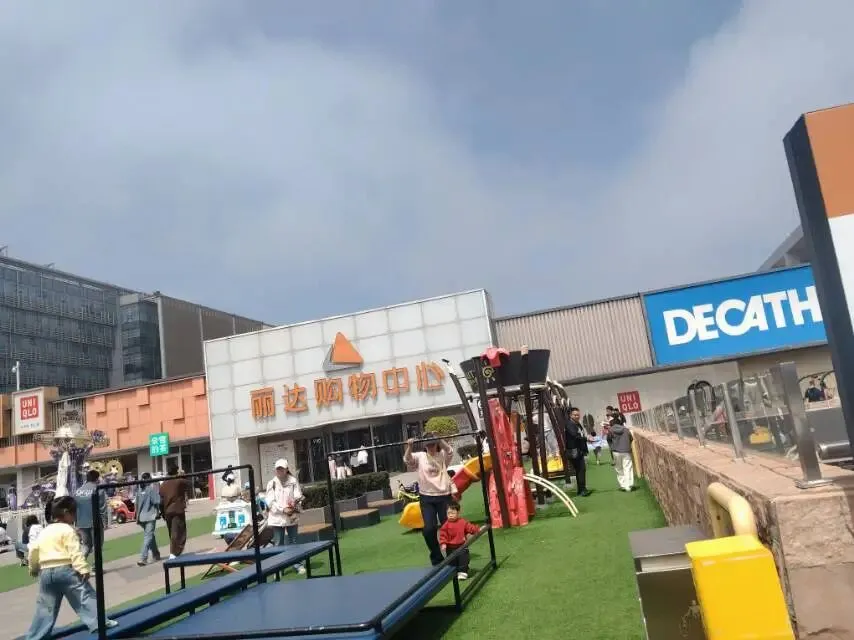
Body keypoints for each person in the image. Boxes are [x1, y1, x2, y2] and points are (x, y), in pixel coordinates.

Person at [23, 496, 118, 639]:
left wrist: (33, 568)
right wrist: (83, 569)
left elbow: (33, 551)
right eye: (74, 513)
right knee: (85, 596)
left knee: (45, 606)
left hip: (46, 573)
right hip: (65, 570)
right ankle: (100, 623)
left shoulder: (44, 532)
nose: (75, 517)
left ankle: (35, 636)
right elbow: (74, 552)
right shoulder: (67, 530)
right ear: (66, 513)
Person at [404, 432, 455, 566]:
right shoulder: (420, 456)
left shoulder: (442, 455)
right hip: (427, 497)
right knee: (429, 529)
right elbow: (408, 460)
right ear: (425, 446)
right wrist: (409, 446)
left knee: (448, 527)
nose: (431, 447)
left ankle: (452, 556)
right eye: (428, 445)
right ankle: (437, 557)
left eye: (433, 444)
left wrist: (439, 439)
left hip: (444, 495)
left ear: (436, 445)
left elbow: (450, 451)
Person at [265, 459, 306, 574]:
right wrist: (283, 509)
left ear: (287, 469)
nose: (279, 471)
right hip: (277, 518)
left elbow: (298, 495)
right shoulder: (272, 483)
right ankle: (279, 568)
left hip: (291, 516)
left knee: (294, 541)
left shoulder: (293, 481)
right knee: (278, 543)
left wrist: (295, 504)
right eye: (278, 469)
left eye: (282, 468)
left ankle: (297, 564)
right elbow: (270, 502)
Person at [438, 501, 480, 580]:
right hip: (450, 547)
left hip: (462, 546)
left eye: (453, 513)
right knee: (452, 561)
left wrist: (476, 529)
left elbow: (470, 528)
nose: (450, 515)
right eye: (448, 513)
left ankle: (463, 572)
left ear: (458, 513)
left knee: (463, 559)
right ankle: (454, 572)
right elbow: (443, 535)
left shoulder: (463, 522)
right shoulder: (446, 525)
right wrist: (443, 543)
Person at [159, 464, 191, 560]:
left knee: (172, 531)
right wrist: (183, 475)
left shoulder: (163, 484)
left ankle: (175, 551)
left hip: (167, 511)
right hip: (177, 509)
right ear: (176, 472)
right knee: (178, 531)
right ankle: (174, 553)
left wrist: (162, 513)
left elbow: (161, 501)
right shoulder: (178, 481)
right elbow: (189, 484)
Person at [73, 469, 106, 560]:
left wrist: (76, 523)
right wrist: (105, 522)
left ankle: (79, 564)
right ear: (97, 479)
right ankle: (96, 566)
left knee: (86, 545)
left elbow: (74, 508)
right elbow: (102, 508)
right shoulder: (98, 489)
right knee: (97, 545)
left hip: (81, 523)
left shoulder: (78, 491)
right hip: (95, 522)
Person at [135, 473, 161, 567]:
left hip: (141, 517)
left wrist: (137, 517)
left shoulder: (139, 490)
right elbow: (157, 501)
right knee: (148, 537)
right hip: (150, 516)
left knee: (150, 536)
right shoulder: (150, 489)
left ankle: (156, 554)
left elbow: (136, 504)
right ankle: (143, 558)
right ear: (149, 479)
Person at [565, 408, 591, 497]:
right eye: (575, 415)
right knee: (580, 469)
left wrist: (586, 438)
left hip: (579, 450)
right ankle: (582, 490)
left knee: (580, 470)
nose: (577, 416)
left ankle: (581, 489)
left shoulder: (577, 424)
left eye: (578, 415)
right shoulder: (569, 424)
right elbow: (575, 435)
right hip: (574, 451)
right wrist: (586, 438)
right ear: (570, 415)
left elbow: (581, 434)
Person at [610, 413, 636, 492]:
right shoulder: (626, 429)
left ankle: (623, 485)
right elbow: (631, 438)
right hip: (626, 451)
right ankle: (629, 485)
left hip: (616, 452)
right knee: (627, 468)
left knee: (619, 469)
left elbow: (609, 440)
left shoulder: (610, 430)